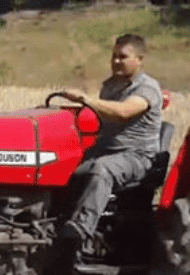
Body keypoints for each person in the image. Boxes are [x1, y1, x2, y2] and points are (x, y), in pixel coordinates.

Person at [58, 33, 163, 256]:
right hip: (105, 150)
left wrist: (84, 99)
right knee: (61, 165)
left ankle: (80, 230)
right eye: (114, 56)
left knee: (102, 170)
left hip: (136, 156)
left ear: (140, 59)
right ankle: (52, 220)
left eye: (123, 57)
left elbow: (124, 112)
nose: (116, 61)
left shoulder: (147, 88)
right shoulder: (110, 86)